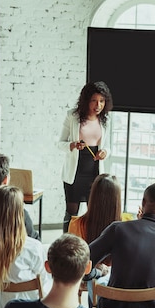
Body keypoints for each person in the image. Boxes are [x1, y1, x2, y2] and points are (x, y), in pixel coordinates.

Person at [58, 81, 113, 232]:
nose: (98, 105)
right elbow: (60, 143)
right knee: (71, 211)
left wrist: (105, 153)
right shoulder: (72, 116)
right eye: (94, 101)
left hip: (94, 174)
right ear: (86, 100)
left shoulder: (105, 120)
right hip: (74, 173)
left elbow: (108, 146)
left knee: (94, 213)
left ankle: (90, 245)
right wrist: (72, 145)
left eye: (102, 101)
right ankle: (65, 243)